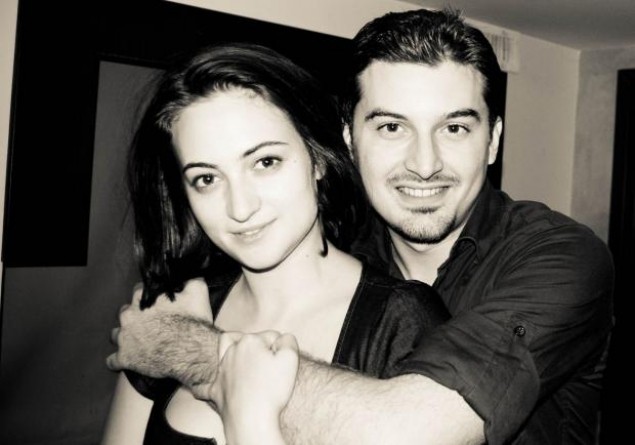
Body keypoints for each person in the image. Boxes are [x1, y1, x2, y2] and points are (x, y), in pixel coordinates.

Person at [107, 8, 615, 445]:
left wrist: (194, 350)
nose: (424, 164)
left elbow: (411, 432)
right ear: (348, 140)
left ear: (493, 141)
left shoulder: (561, 258)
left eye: (455, 127)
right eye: (392, 127)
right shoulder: (337, 248)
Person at [100, 42, 449, 445]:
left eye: (265, 162)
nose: (241, 207)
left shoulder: (402, 321)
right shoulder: (172, 313)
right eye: (207, 179)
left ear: (318, 158)